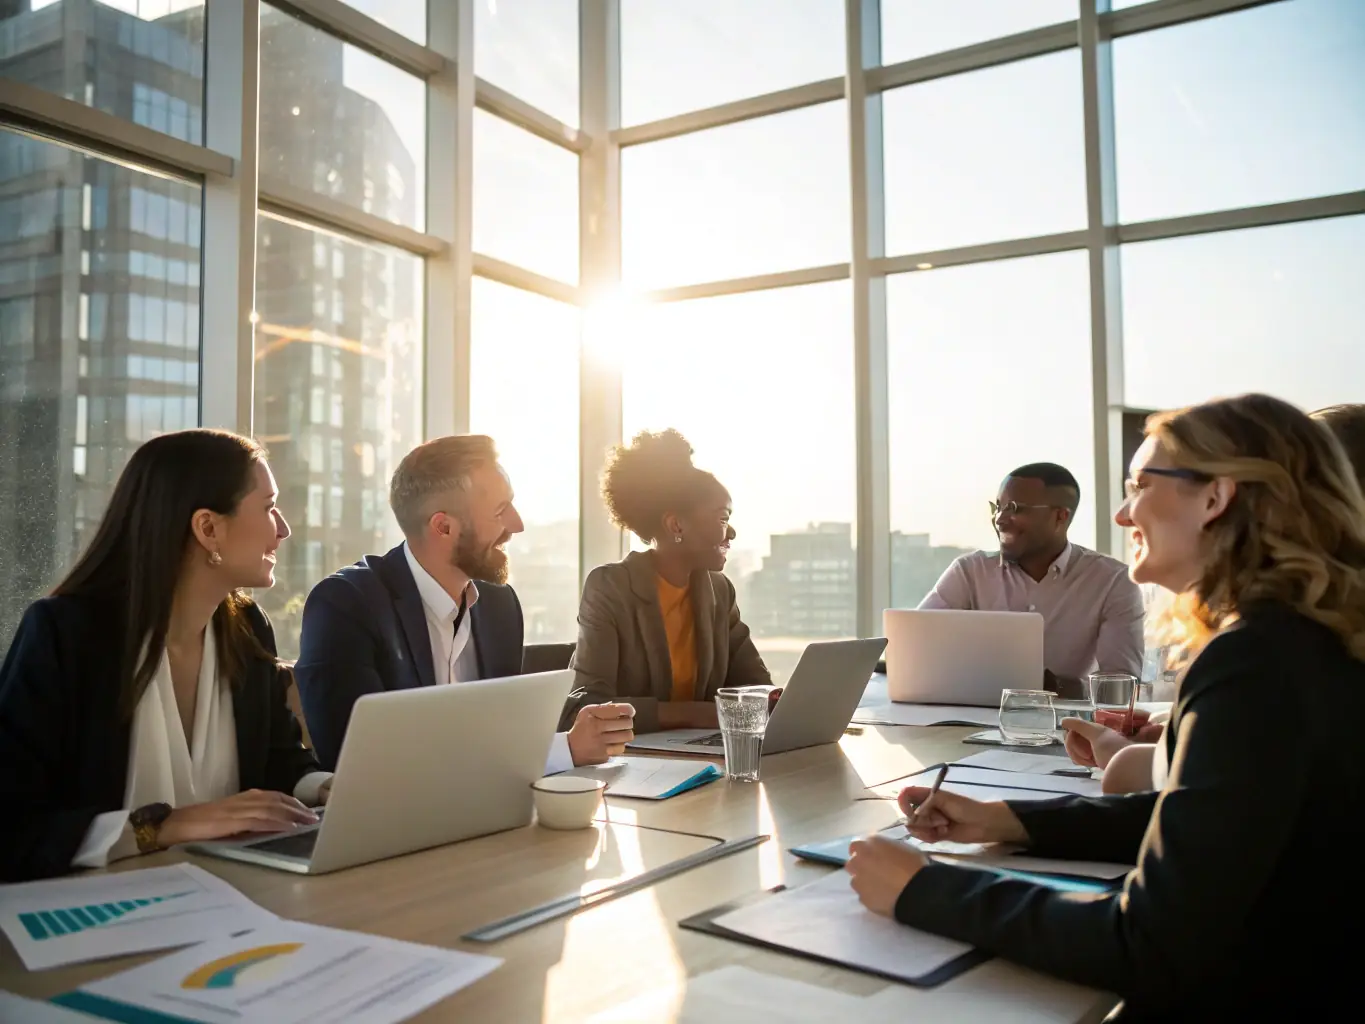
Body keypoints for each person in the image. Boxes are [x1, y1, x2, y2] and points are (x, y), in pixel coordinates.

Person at [844, 393, 1365, 1020]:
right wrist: (1008, 820)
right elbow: (1209, 823)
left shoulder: (1254, 663)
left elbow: (1147, 944)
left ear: (1215, 497)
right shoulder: (1307, 643)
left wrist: (924, 889)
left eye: (1140, 485)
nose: (1122, 514)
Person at [0, 430, 325, 882]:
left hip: (229, 898)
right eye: (269, 507)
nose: (284, 529)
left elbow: (277, 761)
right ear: (208, 528)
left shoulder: (247, 629)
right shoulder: (66, 635)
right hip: (96, 913)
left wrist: (324, 788)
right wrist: (168, 825)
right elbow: (12, 827)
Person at [1067, 401, 1365, 793]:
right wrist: (1187, 734)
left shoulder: (1260, 651)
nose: (1122, 515)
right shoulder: (1306, 634)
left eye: (1140, 486)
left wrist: (1148, 755)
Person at [294, 434, 634, 772]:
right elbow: (364, 766)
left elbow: (499, 741)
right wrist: (564, 750)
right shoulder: (345, 606)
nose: (517, 524)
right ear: (443, 527)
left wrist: (577, 733)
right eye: (501, 511)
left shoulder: (500, 606)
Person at [566, 429, 770, 734]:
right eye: (722, 518)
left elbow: (755, 687)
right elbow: (586, 707)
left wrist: (786, 703)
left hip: (702, 758)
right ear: (676, 524)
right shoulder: (610, 587)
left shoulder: (719, 590)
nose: (732, 532)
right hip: (630, 764)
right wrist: (700, 715)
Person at [919, 463, 1143, 697]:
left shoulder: (1113, 581)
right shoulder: (969, 572)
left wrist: (1054, 687)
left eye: (1014, 508)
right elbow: (916, 646)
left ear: (1060, 516)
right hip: (968, 721)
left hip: (1065, 727)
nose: (1000, 519)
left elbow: (1122, 689)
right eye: (998, 507)